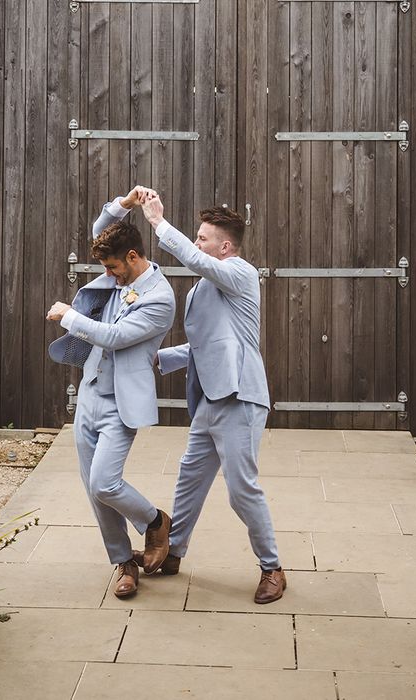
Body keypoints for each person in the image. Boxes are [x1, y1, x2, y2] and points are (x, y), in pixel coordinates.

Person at [137, 194, 286, 604]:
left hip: (240, 398)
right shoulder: (204, 289)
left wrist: (158, 223)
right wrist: (156, 357)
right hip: (209, 402)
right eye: (196, 237)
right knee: (190, 480)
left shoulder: (239, 272)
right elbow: (208, 346)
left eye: (203, 238)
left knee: (242, 490)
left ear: (225, 246)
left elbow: (195, 259)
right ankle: (173, 553)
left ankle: (272, 568)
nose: (197, 244)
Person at [47, 187, 176, 598]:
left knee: (105, 483)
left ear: (135, 258)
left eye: (115, 267)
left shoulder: (160, 297)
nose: (110, 273)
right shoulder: (118, 268)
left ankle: (155, 521)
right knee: (93, 489)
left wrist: (70, 317)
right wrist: (124, 203)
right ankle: (122, 562)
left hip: (121, 405)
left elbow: (118, 337)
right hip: (88, 394)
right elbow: (102, 231)